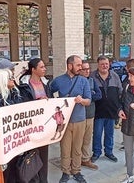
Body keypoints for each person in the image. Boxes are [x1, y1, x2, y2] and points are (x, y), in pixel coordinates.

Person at [50, 55, 91, 183]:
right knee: (65, 148)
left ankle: (76, 171)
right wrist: (56, 103)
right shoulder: (58, 80)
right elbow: (49, 92)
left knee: (77, 148)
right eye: (78, 65)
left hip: (80, 120)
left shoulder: (84, 81)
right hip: (65, 121)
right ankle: (65, 172)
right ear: (69, 66)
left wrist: (82, 101)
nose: (81, 67)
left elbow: (88, 101)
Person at [19, 58, 52, 183]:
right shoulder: (24, 86)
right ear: (33, 69)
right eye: (42, 67)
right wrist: (37, 103)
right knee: (31, 156)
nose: (45, 69)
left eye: (44, 66)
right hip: (31, 128)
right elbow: (23, 106)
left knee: (43, 156)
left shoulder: (46, 84)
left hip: (44, 126)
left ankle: (44, 180)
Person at [0, 69, 23, 183]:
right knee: (7, 172)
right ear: (2, 80)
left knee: (16, 168)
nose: (13, 79)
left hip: (16, 139)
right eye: (10, 77)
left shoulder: (15, 94)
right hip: (5, 141)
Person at [91, 55, 122, 163]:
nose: (104, 66)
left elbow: (120, 92)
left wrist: (120, 108)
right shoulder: (92, 76)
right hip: (98, 111)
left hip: (111, 110)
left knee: (110, 133)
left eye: (106, 64)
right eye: (102, 64)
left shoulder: (115, 76)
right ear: (98, 65)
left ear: (109, 65)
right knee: (97, 133)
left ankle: (109, 152)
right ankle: (96, 152)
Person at [79, 60, 102, 171]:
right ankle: (76, 160)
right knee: (78, 140)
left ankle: (85, 159)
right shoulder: (76, 81)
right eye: (84, 69)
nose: (87, 71)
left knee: (87, 139)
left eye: (88, 69)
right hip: (78, 116)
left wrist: (87, 98)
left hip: (90, 114)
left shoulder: (92, 81)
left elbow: (99, 95)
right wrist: (88, 97)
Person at [114, 59, 134, 129]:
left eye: (126, 66)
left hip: (131, 107)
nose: (125, 68)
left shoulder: (132, 79)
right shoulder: (127, 77)